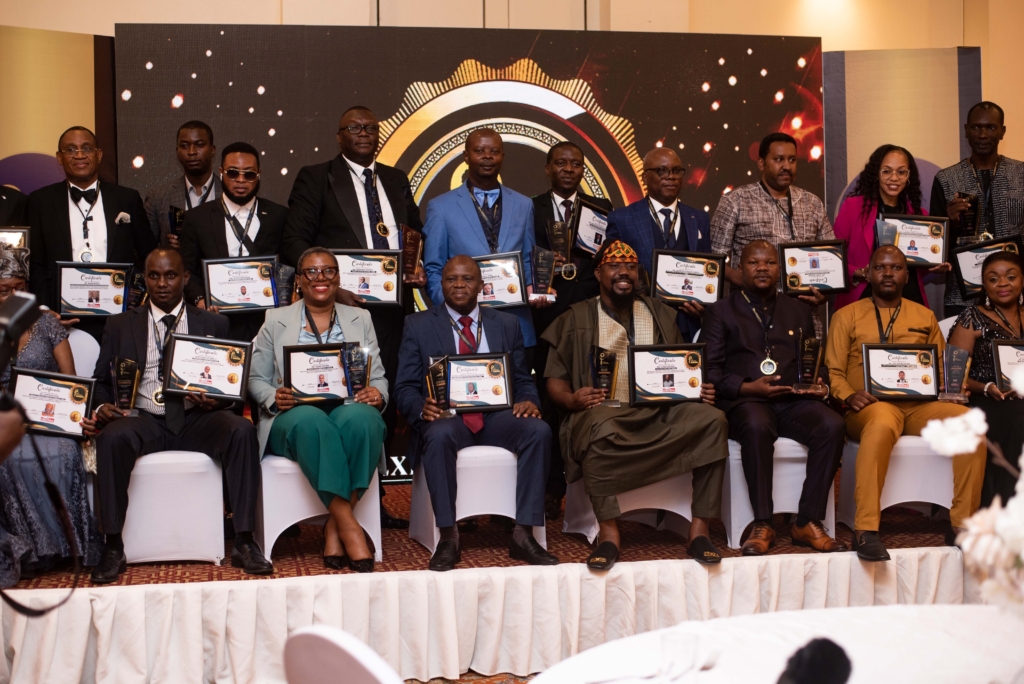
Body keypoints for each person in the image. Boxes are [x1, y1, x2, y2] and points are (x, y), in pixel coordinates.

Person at [83, 249, 272, 583]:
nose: (162, 283)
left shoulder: (214, 323)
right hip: (143, 417)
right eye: (154, 276)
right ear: (145, 279)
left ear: (185, 278)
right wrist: (101, 407)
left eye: (170, 275)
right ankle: (113, 546)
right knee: (111, 437)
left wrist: (217, 401)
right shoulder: (120, 324)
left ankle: (244, 540)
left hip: (197, 417)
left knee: (241, 430)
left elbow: (234, 385)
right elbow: (100, 383)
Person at [543, 240, 729, 570]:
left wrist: (696, 388)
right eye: (614, 266)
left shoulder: (659, 312)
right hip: (605, 412)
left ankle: (699, 529)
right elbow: (554, 380)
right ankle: (609, 532)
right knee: (597, 428)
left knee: (713, 419)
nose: (623, 273)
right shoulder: (576, 316)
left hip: (659, 410)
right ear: (599, 273)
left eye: (630, 266)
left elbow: (680, 367)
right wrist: (571, 399)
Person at [282, 106, 424, 529]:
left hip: (390, 311)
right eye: (355, 128)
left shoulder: (396, 179)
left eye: (371, 128)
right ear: (339, 135)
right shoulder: (316, 177)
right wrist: (333, 287)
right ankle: (335, 502)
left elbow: (414, 232)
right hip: (336, 310)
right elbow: (294, 241)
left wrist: (414, 262)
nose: (365, 133)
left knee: (378, 400)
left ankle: (370, 499)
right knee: (335, 398)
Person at [394, 255, 557, 571]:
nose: (459, 285)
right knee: (438, 434)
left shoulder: (506, 324)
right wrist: (420, 406)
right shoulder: (418, 324)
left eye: (467, 279)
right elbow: (404, 387)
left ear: (481, 285)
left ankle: (523, 533)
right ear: (441, 284)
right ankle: (448, 536)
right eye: (451, 279)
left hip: (496, 417)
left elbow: (522, 379)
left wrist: (529, 400)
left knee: (538, 431)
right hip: (448, 417)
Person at [824, 245, 986, 561]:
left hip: (919, 406)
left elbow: (940, 369)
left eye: (896, 268)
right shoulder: (847, 315)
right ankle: (866, 529)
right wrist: (849, 395)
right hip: (869, 406)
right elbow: (834, 371)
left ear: (907, 275)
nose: (888, 273)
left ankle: (962, 525)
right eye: (880, 267)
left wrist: (950, 386)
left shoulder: (924, 315)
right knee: (882, 423)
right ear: (868, 273)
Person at [700, 240, 846, 555]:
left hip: (793, 400)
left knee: (832, 425)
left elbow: (812, 361)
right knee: (756, 425)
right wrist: (748, 387)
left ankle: (806, 520)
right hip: (746, 401)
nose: (762, 268)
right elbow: (709, 371)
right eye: (754, 262)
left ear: (780, 269)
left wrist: (818, 381)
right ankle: (763, 522)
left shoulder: (799, 309)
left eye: (769, 262)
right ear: (740, 268)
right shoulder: (720, 311)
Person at [249, 247, 387, 572]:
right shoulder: (275, 320)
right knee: (313, 422)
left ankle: (334, 527)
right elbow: (255, 379)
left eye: (328, 270)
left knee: (366, 420)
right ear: (299, 280)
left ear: (338, 278)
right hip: (292, 415)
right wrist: (274, 396)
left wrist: (377, 393)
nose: (320, 277)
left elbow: (378, 376)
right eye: (311, 271)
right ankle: (348, 526)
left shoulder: (361, 319)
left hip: (346, 406)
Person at [0, 246, 101, 586]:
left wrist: (78, 416)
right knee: (9, 458)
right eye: (4, 290)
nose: (12, 296)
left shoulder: (47, 324)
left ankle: (62, 547)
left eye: (19, 288)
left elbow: (70, 383)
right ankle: (31, 548)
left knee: (63, 453)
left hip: (49, 418)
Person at [530, 142, 617, 520]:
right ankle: (551, 490)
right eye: (561, 163)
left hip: (589, 316)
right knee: (550, 402)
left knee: (592, 397)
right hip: (544, 316)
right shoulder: (530, 207)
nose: (569, 169)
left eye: (576, 164)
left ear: (583, 170)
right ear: (547, 168)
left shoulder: (602, 209)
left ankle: (593, 489)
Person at [27, 126, 156, 340]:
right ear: (59, 157)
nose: (79, 155)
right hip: (59, 318)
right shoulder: (40, 201)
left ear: (99, 154)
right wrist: (45, 310)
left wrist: (135, 303)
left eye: (86, 148)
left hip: (119, 317)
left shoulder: (127, 199)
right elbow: (36, 263)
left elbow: (148, 255)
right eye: (71, 149)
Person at [422, 128, 546, 351]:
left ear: (502, 157)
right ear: (466, 156)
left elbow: (528, 260)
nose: (487, 156)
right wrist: (452, 306)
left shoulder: (524, 204)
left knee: (519, 374)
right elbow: (433, 268)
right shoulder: (440, 207)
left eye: (494, 151)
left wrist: (535, 288)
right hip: (462, 324)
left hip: (516, 322)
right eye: (479, 151)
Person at [180, 142, 287, 342]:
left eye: (249, 174)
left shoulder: (279, 215)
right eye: (232, 173)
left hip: (267, 322)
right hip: (217, 320)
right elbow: (188, 270)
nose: (241, 180)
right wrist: (201, 300)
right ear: (221, 172)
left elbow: (287, 266)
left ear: (259, 174)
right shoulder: (197, 218)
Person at [606, 147, 710, 341]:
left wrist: (704, 305)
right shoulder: (621, 218)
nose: (671, 177)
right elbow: (611, 272)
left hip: (688, 323)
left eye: (676, 171)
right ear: (645, 177)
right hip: (640, 322)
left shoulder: (699, 218)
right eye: (662, 171)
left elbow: (707, 270)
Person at [932, 102, 1024, 318]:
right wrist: (950, 221)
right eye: (976, 127)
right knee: (961, 343)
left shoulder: (1021, 174)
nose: (983, 134)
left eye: (991, 127)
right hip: (962, 297)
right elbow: (935, 248)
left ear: (1002, 131)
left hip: (1016, 294)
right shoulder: (946, 179)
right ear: (966, 130)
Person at [947, 250, 1024, 506]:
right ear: (984, 285)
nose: (1002, 283)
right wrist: (988, 387)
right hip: (986, 398)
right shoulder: (972, 318)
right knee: (1018, 419)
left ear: (1022, 280)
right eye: (993, 278)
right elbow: (953, 373)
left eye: (1010, 276)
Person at [711, 133, 834, 290]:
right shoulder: (736, 200)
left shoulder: (812, 202)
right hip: (749, 302)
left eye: (792, 160)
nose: (787, 166)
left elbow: (830, 256)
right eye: (779, 159)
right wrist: (746, 282)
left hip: (801, 301)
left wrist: (822, 294)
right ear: (761, 163)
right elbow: (714, 259)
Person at [143, 121, 221, 247]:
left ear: (213, 150)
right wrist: (167, 251)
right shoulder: (158, 197)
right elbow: (145, 250)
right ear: (177, 151)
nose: (191, 152)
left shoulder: (229, 193)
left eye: (199, 145)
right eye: (184, 146)